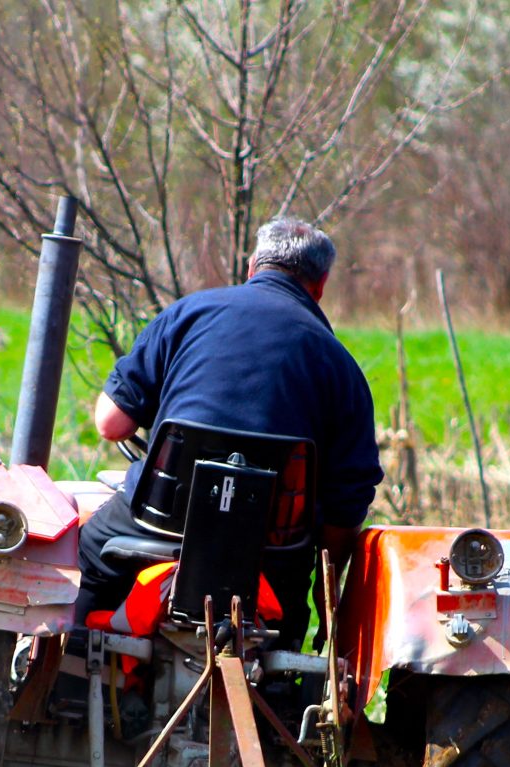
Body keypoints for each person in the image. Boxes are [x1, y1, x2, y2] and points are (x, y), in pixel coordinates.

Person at [74, 217, 381, 649]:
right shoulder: (340, 365)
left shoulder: (186, 314)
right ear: (321, 285)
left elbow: (111, 424)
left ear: (252, 265)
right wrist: (324, 580)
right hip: (274, 552)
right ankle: (282, 697)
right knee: (292, 606)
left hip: (156, 525)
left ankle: (69, 667)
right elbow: (347, 506)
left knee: (88, 552)